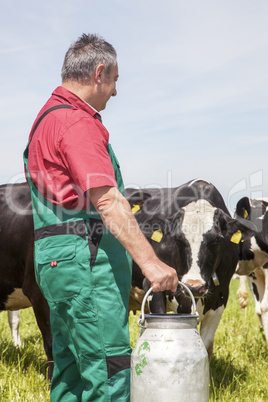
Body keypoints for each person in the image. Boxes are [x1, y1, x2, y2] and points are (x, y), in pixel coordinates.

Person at [24, 33, 178, 401]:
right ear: (99, 73)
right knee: (108, 374)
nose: (114, 92)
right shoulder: (77, 123)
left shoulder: (44, 120)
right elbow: (107, 200)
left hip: (57, 264)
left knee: (71, 371)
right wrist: (152, 264)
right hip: (87, 264)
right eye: (115, 81)